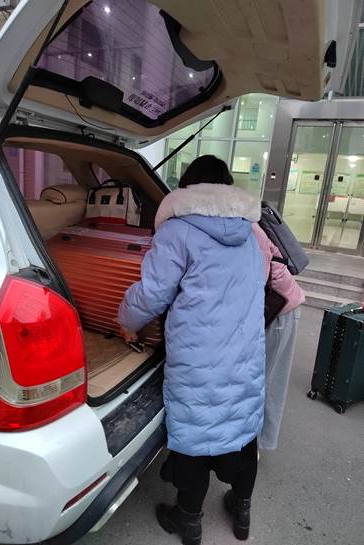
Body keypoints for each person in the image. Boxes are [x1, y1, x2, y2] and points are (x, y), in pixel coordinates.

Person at [118, 155, 266, 544]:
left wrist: (126, 320)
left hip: (199, 357)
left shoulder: (178, 231)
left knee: (196, 437)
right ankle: (242, 511)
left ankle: (188, 520)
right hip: (244, 353)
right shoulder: (249, 234)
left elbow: (152, 294)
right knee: (240, 426)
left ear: (187, 186)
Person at [252, 224, 305, 451]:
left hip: (280, 309)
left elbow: (257, 278)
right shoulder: (244, 224)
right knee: (263, 377)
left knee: (270, 379)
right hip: (273, 306)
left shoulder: (250, 229)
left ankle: (259, 443)